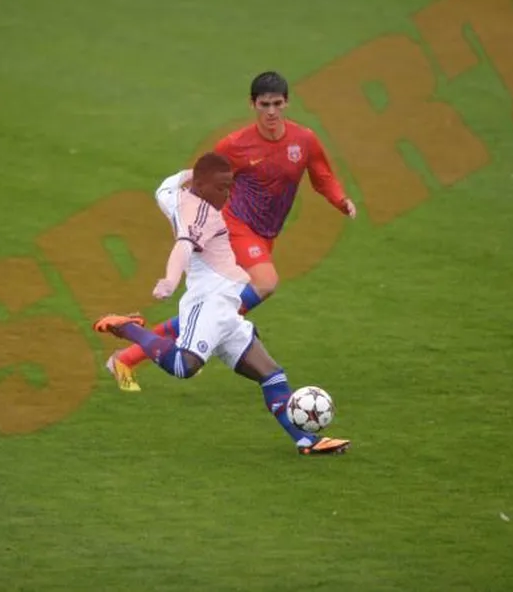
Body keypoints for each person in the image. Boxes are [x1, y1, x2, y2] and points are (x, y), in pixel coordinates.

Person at [107, 71, 357, 391]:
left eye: (277, 104)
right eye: (264, 104)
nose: (271, 111)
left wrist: (341, 200)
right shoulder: (235, 145)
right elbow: (204, 180)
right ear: (252, 104)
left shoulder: (303, 140)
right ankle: (179, 340)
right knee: (265, 283)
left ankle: (127, 358)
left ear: (286, 103)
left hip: (265, 234)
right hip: (235, 226)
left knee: (217, 310)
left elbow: (322, 174)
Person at [93, 153, 350, 455]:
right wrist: (170, 281)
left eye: (229, 187)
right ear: (201, 186)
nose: (226, 195)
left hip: (227, 308)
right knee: (184, 366)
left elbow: (166, 185)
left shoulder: (172, 195)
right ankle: (128, 329)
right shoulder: (202, 215)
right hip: (208, 303)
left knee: (270, 373)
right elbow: (183, 246)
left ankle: (306, 440)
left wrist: (196, 173)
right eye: (220, 188)